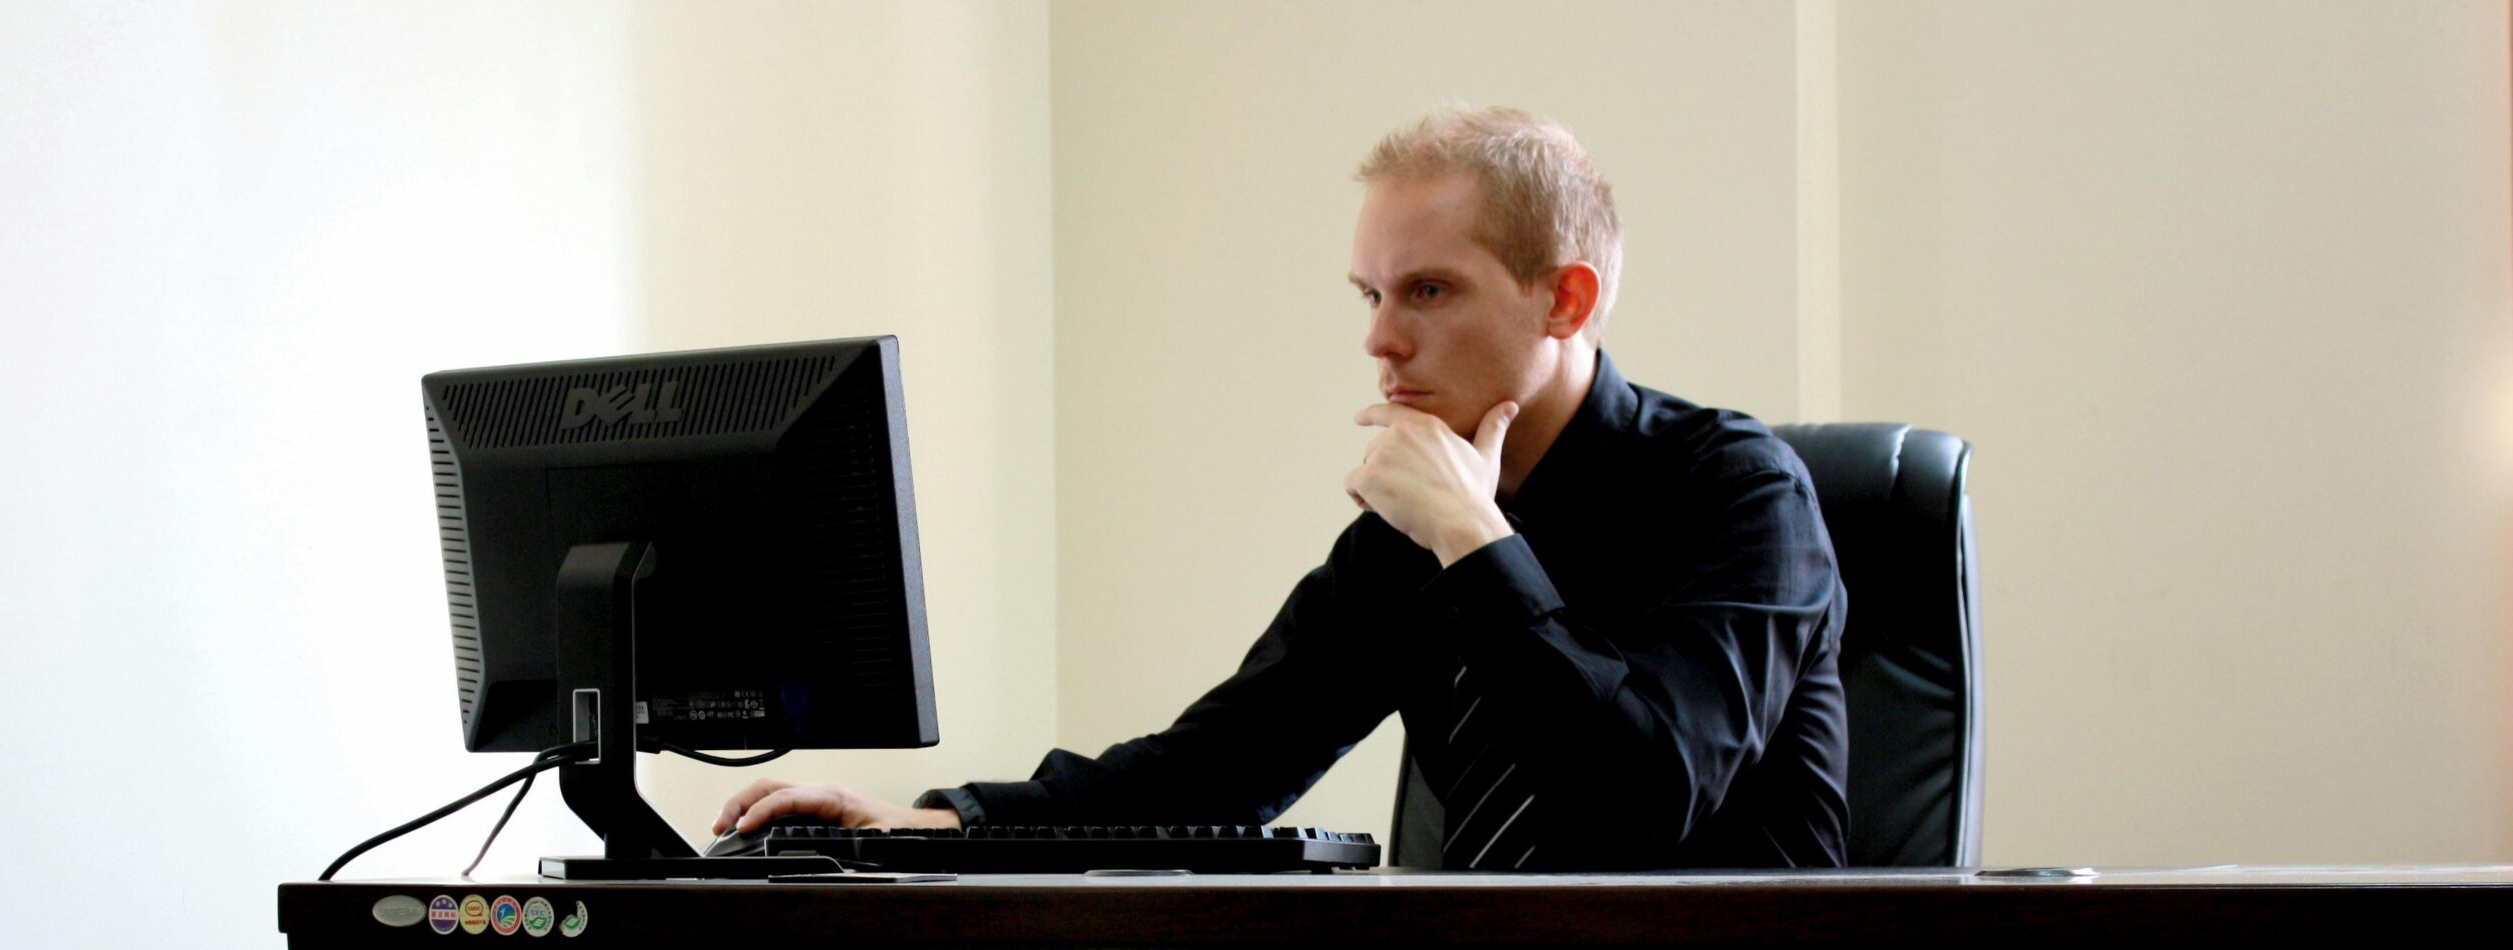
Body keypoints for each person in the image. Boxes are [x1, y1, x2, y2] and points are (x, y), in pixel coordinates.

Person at [719, 106, 1847, 870]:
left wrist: (1472, 537)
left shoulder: (1740, 493)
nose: (1380, 341)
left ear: (1563, 299)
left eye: (1428, 291)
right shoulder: (1411, 534)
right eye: (1369, 294)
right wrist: (934, 822)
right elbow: (1215, 772)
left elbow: (1643, 800)